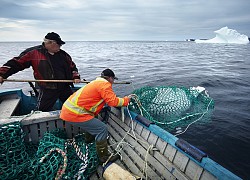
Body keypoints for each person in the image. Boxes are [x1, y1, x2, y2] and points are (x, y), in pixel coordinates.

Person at [60, 68, 130, 165]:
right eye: (113, 80)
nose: (113, 82)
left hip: (68, 110)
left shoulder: (95, 83)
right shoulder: (105, 84)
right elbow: (113, 102)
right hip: (75, 113)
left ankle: (89, 140)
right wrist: (126, 100)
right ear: (110, 78)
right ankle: (104, 157)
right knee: (102, 129)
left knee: (94, 119)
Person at [0, 32, 81, 111]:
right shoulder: (33, 53)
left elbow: (72, 67)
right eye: (59, 44)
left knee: (74, 108)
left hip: (65, 87)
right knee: (41, 111)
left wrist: (76, 77)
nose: (60, 46)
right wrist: (2, 74)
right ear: (50, 43)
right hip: (47, 88)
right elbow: (16, 63)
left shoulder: (64, 55)